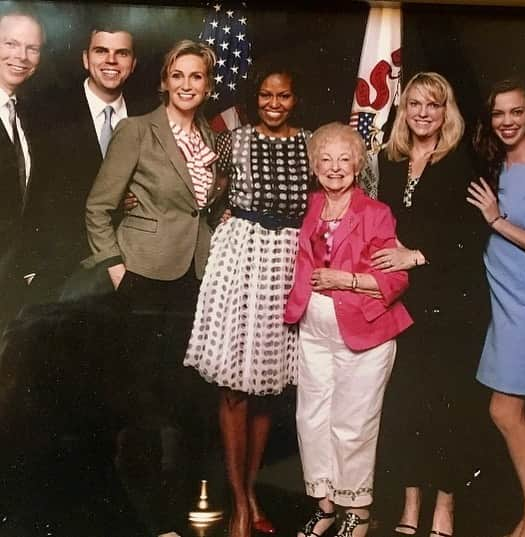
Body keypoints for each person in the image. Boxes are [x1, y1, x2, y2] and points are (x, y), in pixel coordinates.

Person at [84, 39, 220, 537]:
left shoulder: (208, 136)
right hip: (143, 279)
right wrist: (119, 270)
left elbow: (196, 210)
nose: (187, 85)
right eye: (178, 75)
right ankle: (150, 522)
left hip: (194, 279)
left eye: (197, 77)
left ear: (207, 86)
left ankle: (177, 516)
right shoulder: (137, 130)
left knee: (184, 404)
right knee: (141, 406)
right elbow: (99, 208)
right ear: (164, 81)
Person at [183, 64, 310, 537]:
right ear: (256, 98)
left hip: (286, 264)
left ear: (295, 100)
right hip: (240, 262)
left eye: (284, 96)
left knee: (266, 389)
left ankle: (251, 489)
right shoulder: (232, 138)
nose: (274, 104)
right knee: (234, 384)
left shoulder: (310, 142)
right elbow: (196, 188)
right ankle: (238, 501)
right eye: (266, 96)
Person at [284, 122, 412, 537]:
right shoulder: (309, 206)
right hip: (314, 330)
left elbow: (395, 280)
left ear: (358, 164)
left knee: (353, 424)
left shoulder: (376, 213)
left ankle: (356, 511)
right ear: (314, 166)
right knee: (312, 418)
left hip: (367, 332)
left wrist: (344, 280)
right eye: (325, 159)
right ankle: (324, 506)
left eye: (344, 159)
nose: (334, 167)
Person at [374, 72, 486, 537]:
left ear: (447, 111)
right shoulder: (391, 158)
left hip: (452, 301)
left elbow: (475, 232)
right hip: (404, 301)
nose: (423, 113)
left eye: (433, 105)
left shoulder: (464, 160)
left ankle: (445, 509)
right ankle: (409, 505)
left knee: (447, 407)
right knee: (406, 405)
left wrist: (416, 255)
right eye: (415, 103)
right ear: (405, 109)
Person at [467, 79, 525, 537]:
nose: (507, 121)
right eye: (499, 114)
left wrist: (496, 220)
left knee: (504, 411)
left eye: (516, 112)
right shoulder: (497, 163)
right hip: (504, 298)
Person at [37, 26, 140, 300]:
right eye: (101, 51)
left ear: (133, 63)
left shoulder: (149, 114)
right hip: (65, 271)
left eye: (121, 53)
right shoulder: (50, 112)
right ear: (85, 58)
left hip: (136, 265)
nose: (111, 60)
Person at [0, 10, 45, 332]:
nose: (21, 56)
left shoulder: (25, 114)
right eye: (11, 43)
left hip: (11, 274)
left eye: (32, 48)